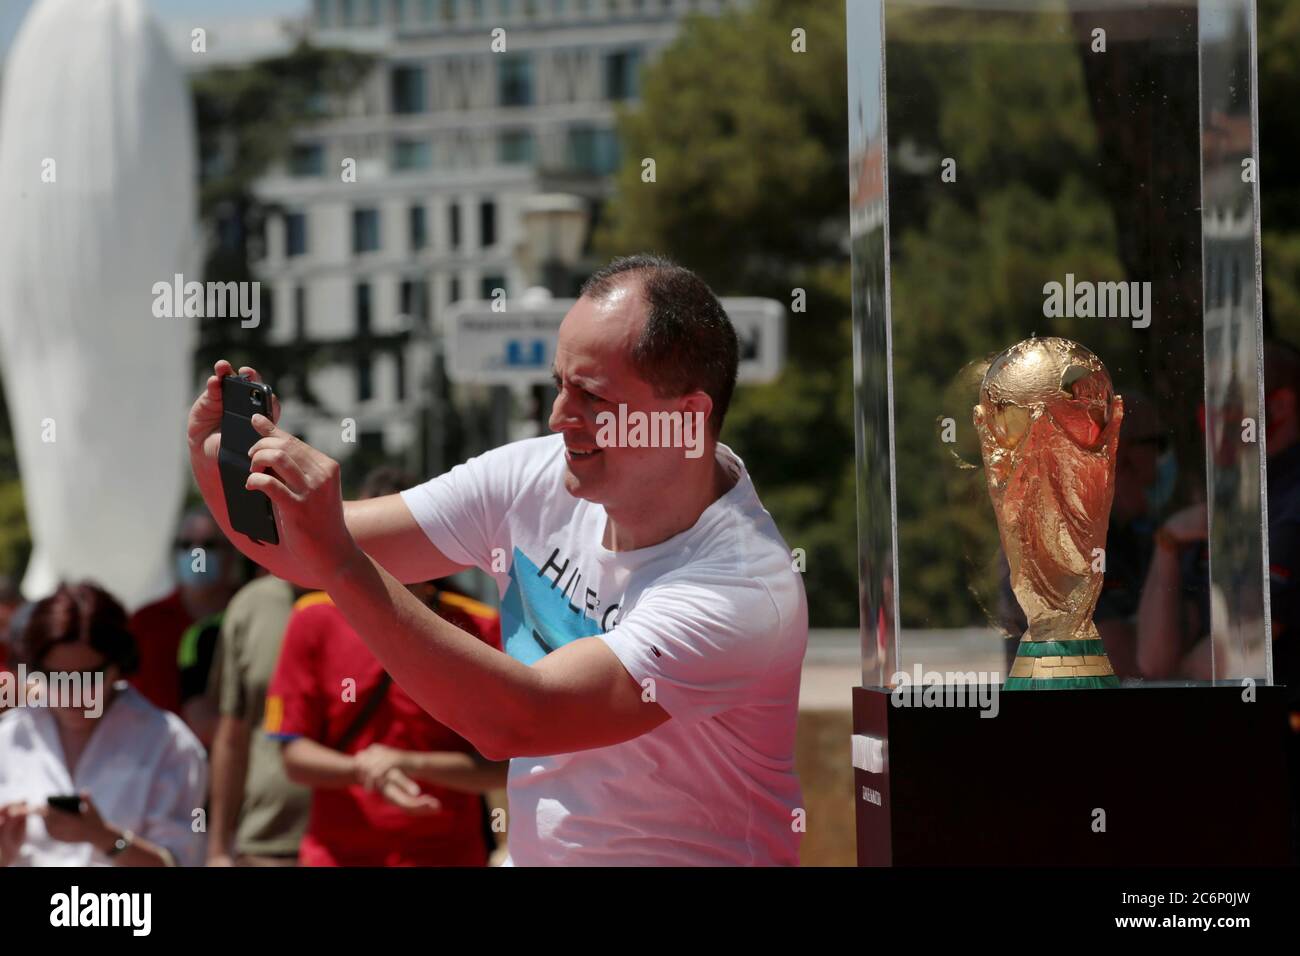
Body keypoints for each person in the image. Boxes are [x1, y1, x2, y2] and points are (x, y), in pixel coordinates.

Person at [187, 254, 809, 866]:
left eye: (592, 397)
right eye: (558, 385)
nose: (559, 418)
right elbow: (302, 550)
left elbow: (521, 720)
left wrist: (341, 562)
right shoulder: (534, 476)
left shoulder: (742, 588)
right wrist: (219, 463)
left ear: (685, 419)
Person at [263, 467, 506, 867]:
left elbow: (502, 767)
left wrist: (408, 764)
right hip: (336, 857)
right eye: (384, 539)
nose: (398, 555)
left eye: (413, 538)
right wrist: (364, 769)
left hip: (448, 856)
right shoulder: (313, 620)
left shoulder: (479, 627)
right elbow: (293, 756)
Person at [0, 582, 207, 866]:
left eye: (87, 677)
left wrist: (104, 838)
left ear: (118, 666)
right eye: (56, 677)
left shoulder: (168, 742)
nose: (72, 692)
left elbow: (179, 862)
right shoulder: (9, 736)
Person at [206, 571, 311, 867]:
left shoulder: (371, 593)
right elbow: (231, 737)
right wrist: (217, 850)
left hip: (354, 846)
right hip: (263, 846)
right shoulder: (250, 605)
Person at [129, 507, 242, 747]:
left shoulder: (251, 615)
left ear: (233, 552)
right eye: (185, 545)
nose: (196, 554)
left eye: (208, 545)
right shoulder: (145, 622)